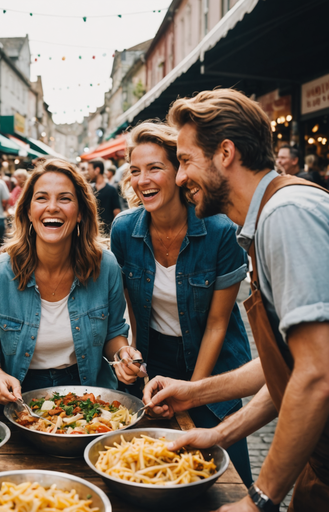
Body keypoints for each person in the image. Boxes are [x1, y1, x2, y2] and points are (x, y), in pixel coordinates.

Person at [144, 88, 329, 512]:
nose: (179, 177)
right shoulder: (274, 213)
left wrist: (257, 500)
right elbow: (290, 368)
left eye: (186, 160)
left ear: (225, 153)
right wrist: (213, 422)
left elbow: (317, 376)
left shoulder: (286, 215)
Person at [110, 121, 253, 486]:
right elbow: (134, 311)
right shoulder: (125, 230)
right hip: (155, 361)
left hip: (214, 363)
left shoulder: (219, 229)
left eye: (155, 168)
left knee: (224, 474)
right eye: (136, 170)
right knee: (153, 470)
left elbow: (219, 323)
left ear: (180, 172)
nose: (143, 180)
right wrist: (132, 359)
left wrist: (194, 391)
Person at [0, 158, 144, 404]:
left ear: (81, 212)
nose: (52, 207)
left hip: (91, 393)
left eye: (65, 198)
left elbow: (114, 332)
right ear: (28, 211)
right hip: (19, 394)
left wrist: (122, 353)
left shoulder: (106, 266)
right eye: (41, 198)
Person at [87, 159, 121, 232]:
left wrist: (115, 231)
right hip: (92, 232)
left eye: (89, 170)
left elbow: (117, 212)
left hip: (107, 232)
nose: (88, 173)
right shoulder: (90, 190)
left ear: (97, 170)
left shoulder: (111, 190)